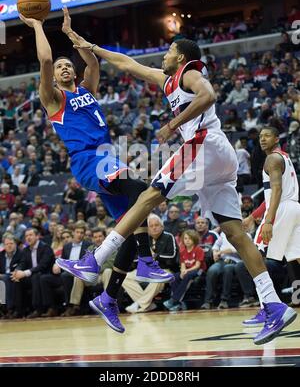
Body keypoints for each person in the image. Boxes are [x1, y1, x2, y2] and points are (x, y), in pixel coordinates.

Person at [58, 34, 297, 344]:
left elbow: (208, 95)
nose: (164, 55)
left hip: (204, 143)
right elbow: (126, 63)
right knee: (236, 234)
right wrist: (90, 47)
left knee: (147, 197)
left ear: (181, 58)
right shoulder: (167, 79)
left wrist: (173, 125)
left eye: (170, 50)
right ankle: (273, 303)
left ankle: (95, 260)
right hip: (217, 159)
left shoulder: (190, 73)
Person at [20, 8, 172, 331]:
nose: (62, 68)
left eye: (66, 66)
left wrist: (74, 37)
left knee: (130, 225)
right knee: (141, 190)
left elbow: (92, 62)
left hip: (108, 156)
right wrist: (37, 25)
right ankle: (145, 261)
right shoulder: (53, 99)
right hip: (90, 159)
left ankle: (108, 297)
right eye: (59, 67)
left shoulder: (87, 90)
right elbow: (45, 61)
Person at [242, 126, 300, 330]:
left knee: (255, 257)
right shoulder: (283, 157)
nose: (262, 139)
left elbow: (276, 190)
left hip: (283, 209)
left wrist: (268, 221)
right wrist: (253, 216)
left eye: (267, 135)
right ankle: (267, 307)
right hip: (293, 208)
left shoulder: (272, 159)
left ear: (277, 138)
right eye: (260, 136)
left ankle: (269, 308)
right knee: (296, 257)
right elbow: (270, 195)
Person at [163, 229, 205, 311]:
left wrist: (186, 271)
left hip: (199, 270)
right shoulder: (182, 250)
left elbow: (197, 265)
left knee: (188, 275)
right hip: (187, 271)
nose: (187, 240)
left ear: (194, 239)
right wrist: (183, 271)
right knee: (174, 277)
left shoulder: (198, 249)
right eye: (185, 238)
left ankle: (174, 300)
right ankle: (178, 303)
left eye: (190, 238)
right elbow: (182, 264)